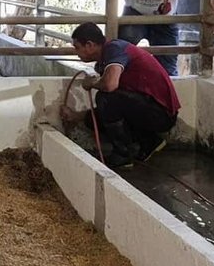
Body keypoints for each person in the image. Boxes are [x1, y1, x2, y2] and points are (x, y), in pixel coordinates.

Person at [63, 22, 180, 168]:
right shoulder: (105, 60)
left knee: (105, 98)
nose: (76, 52)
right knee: (96, 118)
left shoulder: (114, 49)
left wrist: (92, 83)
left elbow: (110, 85)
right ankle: (150, 141)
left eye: (77, 47)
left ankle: (123, 154)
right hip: (152, 109)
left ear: (89, 45)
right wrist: (75, 116)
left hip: (162, 114)